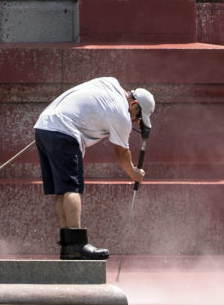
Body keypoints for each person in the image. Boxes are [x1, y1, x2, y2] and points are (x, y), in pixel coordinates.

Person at [33, 78, 154, 260]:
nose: (136, 122)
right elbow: (121, 152)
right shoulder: (121, 114)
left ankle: (68, 246)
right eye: (137, 116)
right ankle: (78, 245)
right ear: (134, 103)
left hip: (44, 127)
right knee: (71, 189)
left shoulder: (110, 83)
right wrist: (133, 173)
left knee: (62, 190)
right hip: (63, 131)